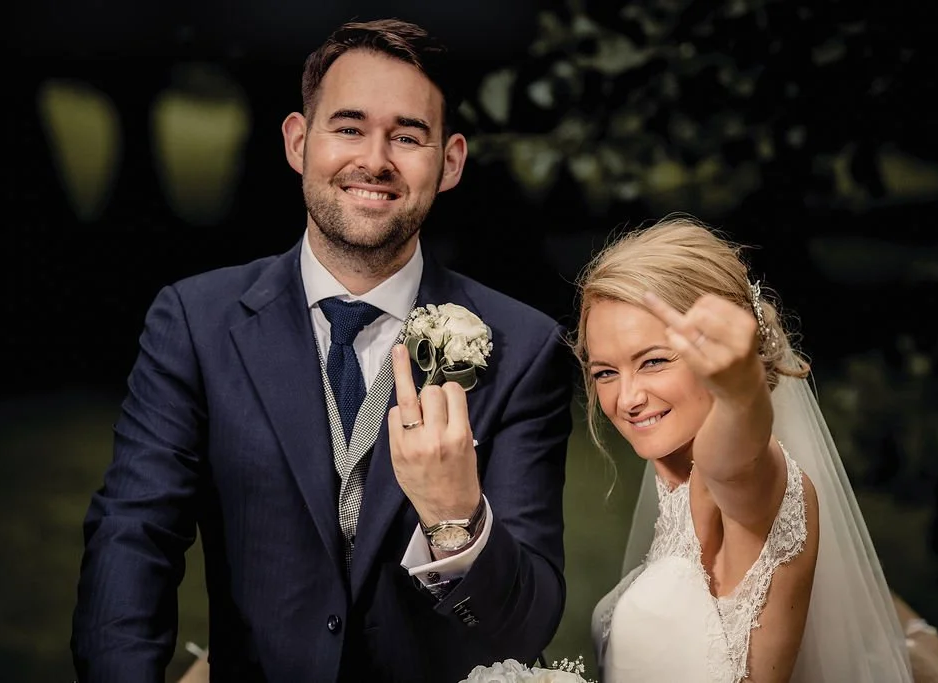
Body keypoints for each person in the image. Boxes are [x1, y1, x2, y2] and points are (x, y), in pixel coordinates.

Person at [70, 19, 573, 683]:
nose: (376, 158)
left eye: (408, 135)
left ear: (449, 162)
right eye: (349, 127)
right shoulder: (195, 320)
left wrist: (456, 519)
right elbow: (133, 539)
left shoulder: (524, 347)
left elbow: (525, 626)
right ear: (298, 142)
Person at [575, 215, 912, 682]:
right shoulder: (677, 475)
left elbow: (733, 458)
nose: (626, 398)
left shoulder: (744, 480)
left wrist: (739, 392)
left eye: (652, 362)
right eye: (605, 372)